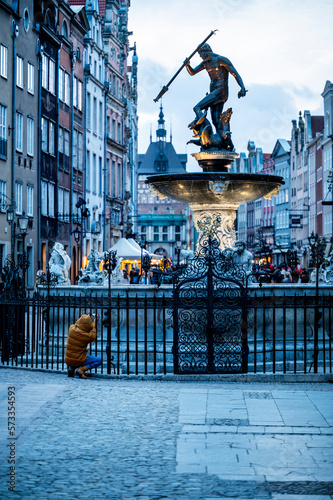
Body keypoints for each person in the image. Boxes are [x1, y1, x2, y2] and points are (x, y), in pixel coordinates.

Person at [184, 43, 247, 132]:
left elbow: (235, 74)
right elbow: (193, 72)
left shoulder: (221, 60)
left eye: (200, 54)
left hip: (220, 90)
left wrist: (242, 87)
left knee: (197, 108)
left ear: (205, 51)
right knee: (215, 120)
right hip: (214, 92)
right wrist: (187, 65)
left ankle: (198, 123)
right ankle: (221, 139)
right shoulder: (205, 63)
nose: (201, 57)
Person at [65, 314, 101, 379]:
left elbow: (77, 323)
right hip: (79, 360)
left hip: (68, 359)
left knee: (73, 356)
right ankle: (82, 369)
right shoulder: (88, 336)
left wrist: (85, 318)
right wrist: (94, 322)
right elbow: (93, 334)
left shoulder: (71, 329)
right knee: (99, 360)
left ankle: (72, 367)